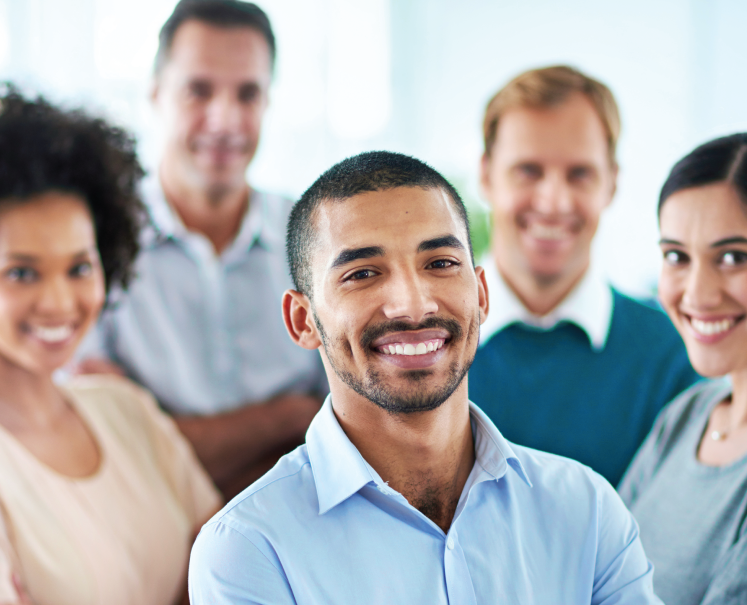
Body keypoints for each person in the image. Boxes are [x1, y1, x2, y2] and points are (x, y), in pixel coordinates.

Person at [188, 151, 661, 604]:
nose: (413, 306)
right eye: (363, 274)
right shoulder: (249, 549)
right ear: (302, 321)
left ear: (481, 294)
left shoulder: (587, 511)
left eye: (440, 264)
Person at [75, 0, 326, 500]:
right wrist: (290, 417)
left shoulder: (320, 234)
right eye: (199, 91)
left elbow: (357, 430)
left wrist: (175, 441)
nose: (225, 120)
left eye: (248, 94)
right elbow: (117, 449)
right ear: (155, 94)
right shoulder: (90, 244)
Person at [0, 87, 221, 605]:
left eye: (79, 267)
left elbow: (227, 569)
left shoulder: (127, 410)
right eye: (22, 273)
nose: (59, 302)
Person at [470, 65, 700, 485]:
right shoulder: (420, 342)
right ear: (486, 175)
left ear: (611, 183)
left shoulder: (675, 357)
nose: (553, 202)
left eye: (579, 174)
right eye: (528, 171)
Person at [618, 132, 747, 604]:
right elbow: (592, 570)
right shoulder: (689, 414)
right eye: (676, 256)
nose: (697, 293)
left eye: (734, 257)